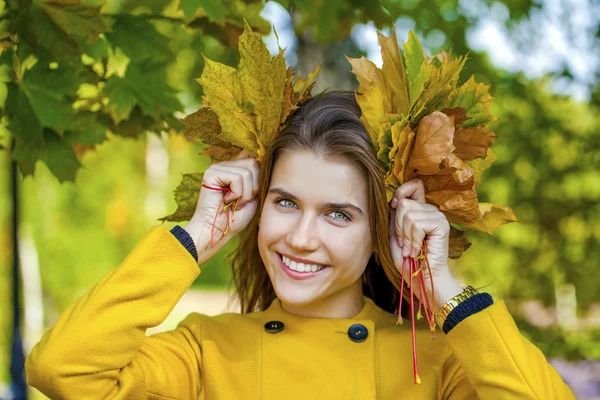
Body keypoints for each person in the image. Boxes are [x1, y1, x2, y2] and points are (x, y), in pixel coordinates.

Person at [25, 92, 575, 399]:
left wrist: (444, 288)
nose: (300, 238)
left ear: (383, 229)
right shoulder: (206, 352)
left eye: (339, 214)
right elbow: (63, 369)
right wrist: (194, 238)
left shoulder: (435, 363)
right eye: (285, 202)